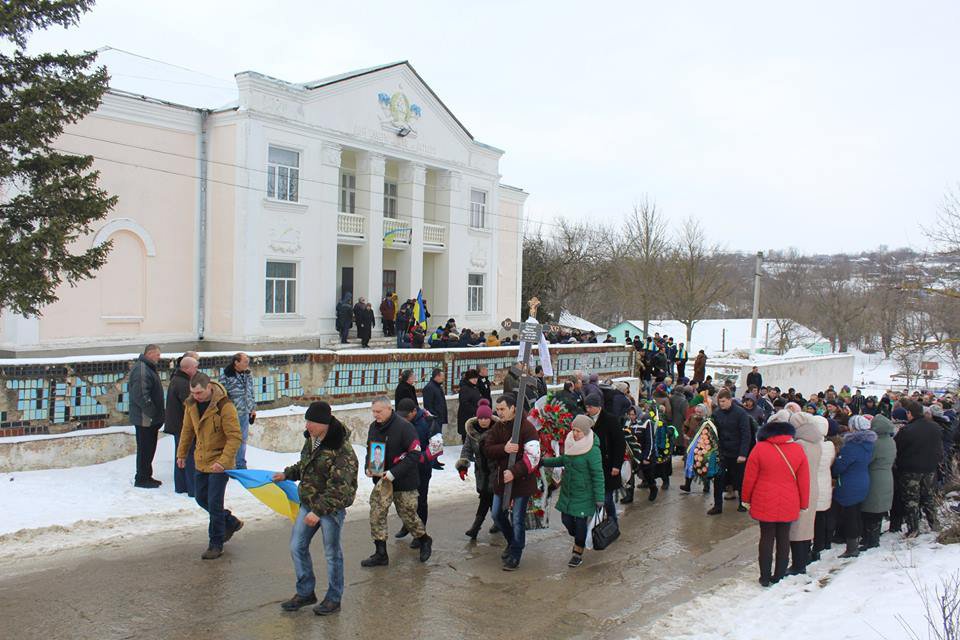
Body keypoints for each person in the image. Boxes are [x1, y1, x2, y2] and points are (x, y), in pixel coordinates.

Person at [275, 401, 358, 616]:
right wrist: (287, 474)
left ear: (324, 423)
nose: (307, 426)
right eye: (307, 421)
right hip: (309, 504)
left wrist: (318, 512)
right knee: (297, 546)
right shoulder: (312, 440)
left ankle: (333, 598)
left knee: (332, 554)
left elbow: (339, 489)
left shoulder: (342, 450)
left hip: (330, 510)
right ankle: (305, 592)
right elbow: (306, 466)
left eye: (311, 422)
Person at [176, 373, 243, 560]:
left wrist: (223, 461)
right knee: (200, 498)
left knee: (214, 503)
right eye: (193, 392)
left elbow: (235, 437)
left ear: (209, 388)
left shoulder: (224, 406)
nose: (196, 396)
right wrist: (181, 454)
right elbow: (187, 430)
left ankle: (216, 544)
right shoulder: (191, 404)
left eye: (199, 393)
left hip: (220, 462)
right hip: (201, 460)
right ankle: (230, 521)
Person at [360, 397, 432, 567]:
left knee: (408, 515)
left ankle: (424, 539)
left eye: (378, 411)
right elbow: (371, 449)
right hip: (382, 480)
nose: (375, 415)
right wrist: (369, 467)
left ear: (389, 409)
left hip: (404, 480)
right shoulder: (374, 427)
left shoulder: (405, 427)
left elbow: (415, 454)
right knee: (377, 513)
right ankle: (381, 553)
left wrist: (394, 473)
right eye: (373, 411)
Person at [741, 420, 810, 587]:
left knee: (766, 537)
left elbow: (749, 478)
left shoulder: (759, 448)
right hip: (790, 498)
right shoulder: (798, 449)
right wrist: (803, 503)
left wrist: (746, 499)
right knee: (784, 537)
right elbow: (804, 480)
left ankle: (764, 577)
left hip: (764, 498)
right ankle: (779, 575)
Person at [484, 394, 541, 571]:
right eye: (497, 409)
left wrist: (514, 472)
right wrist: (504, 448)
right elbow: (487, 449)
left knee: (517, 519)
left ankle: (516, 553)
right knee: (496, 514)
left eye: (502, 409)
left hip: (522, 481)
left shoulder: (528, 428)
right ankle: (511, 542)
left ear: (513, 408)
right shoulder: (498, 427)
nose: (499, 413)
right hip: (502, 480)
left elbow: (533, 457)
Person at [542, 414, 605, 568]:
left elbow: (598, 475)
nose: (575, 433)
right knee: (567, 520)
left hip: (585, 493)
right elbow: (563, 460)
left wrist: (600, 498)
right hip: (568, 492)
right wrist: (544, 462)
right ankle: (580, 537)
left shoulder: (592, 450)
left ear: (586, 432)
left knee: (580, 524)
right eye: (574, 430)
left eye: (578, 431)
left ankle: (577, 552)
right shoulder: (571, 442)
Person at [894, 399, 943, 537]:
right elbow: (939, 448)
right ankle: (934, 524)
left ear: (909, 413)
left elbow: (897, 448)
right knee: (929, 497)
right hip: (930, 468)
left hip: (910, 470)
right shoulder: (935, 427)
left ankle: (913, 528)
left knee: (911, 500)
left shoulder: (906, 430)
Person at [395, 398, 440, 546]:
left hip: (422, 467)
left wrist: (419, 458)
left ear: (414, 411)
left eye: (406, 416)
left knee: (420, 501)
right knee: (404, 500)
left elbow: (436, 447)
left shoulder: (429, 421)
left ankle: (420, 533)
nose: (403, 419)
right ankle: (407, 524)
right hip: (406, 468)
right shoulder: (400, 422)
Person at [832, 414, 877, 557]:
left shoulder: (851, 446)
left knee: (850, 516)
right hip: (863, 480)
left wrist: (834, 465)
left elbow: (840, 466)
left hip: (849, 483)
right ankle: (856, 541)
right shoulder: (869, 444)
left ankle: (851, 548)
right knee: (856, 513)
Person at [457, 401, 498, 539]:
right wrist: (463, 466)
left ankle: (476, 527)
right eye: (481, 418)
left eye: (486, 418)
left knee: (487, 497)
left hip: (496, 471)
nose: (484, 421)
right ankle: (498, 522)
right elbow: (467, 449)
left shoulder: (498, 430)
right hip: (481, 472)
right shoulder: (472, 432)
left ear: (490, 418)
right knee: (489, 497)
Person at [786, 412, 821, 575]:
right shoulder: (817, 442)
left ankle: (798, 565)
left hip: (801, 488)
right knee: (807, 526)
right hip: (814, 486)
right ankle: (805, 557)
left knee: (797, 528)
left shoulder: (800, 444)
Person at [708, 389, 752, 515]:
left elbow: (746, 434)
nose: (721, 404)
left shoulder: (741, 413)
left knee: (739, 479)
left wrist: (743, 454)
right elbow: (713, 432)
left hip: (737, 452)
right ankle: (717, 506)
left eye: (723, 401)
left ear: (730, 400)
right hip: (722, 452)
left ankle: (742, 503)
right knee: (718, 478)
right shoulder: (717, 413)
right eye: (719, 402)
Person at [584, 393, 626, 523]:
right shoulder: (585, 420)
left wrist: (617, 465)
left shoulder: (610, 420)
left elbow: (620, 443)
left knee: (606, 499)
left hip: (608, 465)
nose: (588, 410)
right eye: (586, 407)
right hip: (591, 465)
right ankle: (594, 524)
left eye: (590, 407)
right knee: (592, 498)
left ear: (598, 406)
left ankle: (612, 522)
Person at [129, 344, 166, 488]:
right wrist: (153, 412)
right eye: (157, 355)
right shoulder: (142, 370)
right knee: (145, 449)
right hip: (145, 419)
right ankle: (142, 478)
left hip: (149, 419)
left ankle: (146, 476)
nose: (159, 358)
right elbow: (141, 395)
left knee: (148, 449)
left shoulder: (147, 368)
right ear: (150, 354)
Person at [860, 414, 896, 551]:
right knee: (879, 509)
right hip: (887, 476)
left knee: (871, 509)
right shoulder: (891, 441)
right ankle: (873, 538)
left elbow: (868, 459)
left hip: (875, 477)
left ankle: (870, 540)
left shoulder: (875, 443)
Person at [165, 354, 198, 496]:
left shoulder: (177, 379)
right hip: (183, 426)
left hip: (177, 425)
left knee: (181, 455)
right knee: (188, 456)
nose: (197, 369)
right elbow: (190, 407)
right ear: (187, 368)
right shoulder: (183, 384)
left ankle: (181, 486)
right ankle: (192, 488)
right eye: (195, 367)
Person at [221, 352, 255, 470]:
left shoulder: (247, 374)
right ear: (236, 362)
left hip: (245, 412)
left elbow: (251, 392)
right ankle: (229, 463)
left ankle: (240, 463)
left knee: (243, 439)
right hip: (232, 413)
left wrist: (252, 408)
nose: (247, 364)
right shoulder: (226, 375)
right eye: (245, 362)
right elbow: (222, 395)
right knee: (232, 439)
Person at [810, 415, 835, 561]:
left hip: (813, 485)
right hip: (825, 484)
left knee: (813, 520)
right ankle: (822, 544)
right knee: (823, 516)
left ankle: (813, 547)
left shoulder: (810, 447)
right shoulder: (829, 446)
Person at [457, 369, 482, 442]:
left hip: (474, 416)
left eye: (476, 378)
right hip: (466, 417)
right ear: (468, 379)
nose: (475, 380)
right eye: (472, 378)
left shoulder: (475, 387)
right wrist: (475, 410)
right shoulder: (464, 388)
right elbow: (464, 403)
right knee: (467, 438)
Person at [422, 368, 448, 435]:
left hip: (439, 418)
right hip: (434, 419)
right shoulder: (429, 387)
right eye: (442, 376)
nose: (443, 378)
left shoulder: (438, 386)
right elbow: (428, 406)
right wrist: (435, 416)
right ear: (437, 376)